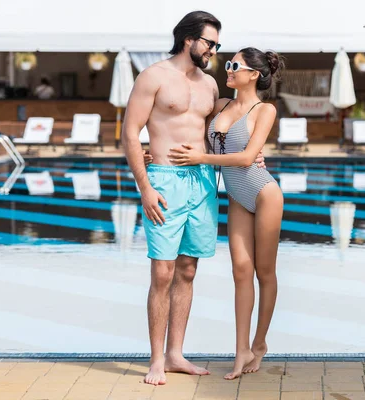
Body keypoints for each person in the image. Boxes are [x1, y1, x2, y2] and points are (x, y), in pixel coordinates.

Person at [122, 11, 264, 386]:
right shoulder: (153, 76)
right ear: (188, 39)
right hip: (164, 181)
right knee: (163, 271)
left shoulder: (211, 86)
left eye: (217, 44)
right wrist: (145, 186)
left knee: (187, 269)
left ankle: (175, 354)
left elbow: (224, 128)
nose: (214, 50)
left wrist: (254, 150)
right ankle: (155, 359)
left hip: (202, 182)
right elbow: (130, 132)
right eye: (210, 43)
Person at [167, 48, 285, 380]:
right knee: (240, 273)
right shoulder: (220, 105)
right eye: (229, 64)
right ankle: (241, 351)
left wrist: (202, 160)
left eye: (235, 65)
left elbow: (248, 158)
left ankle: (259, 344)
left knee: (265, 273)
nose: (228, 69)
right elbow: (194, 137)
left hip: (263, 193)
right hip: (236, 195)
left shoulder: (265, 110)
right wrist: (156, 153)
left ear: (254, 75)